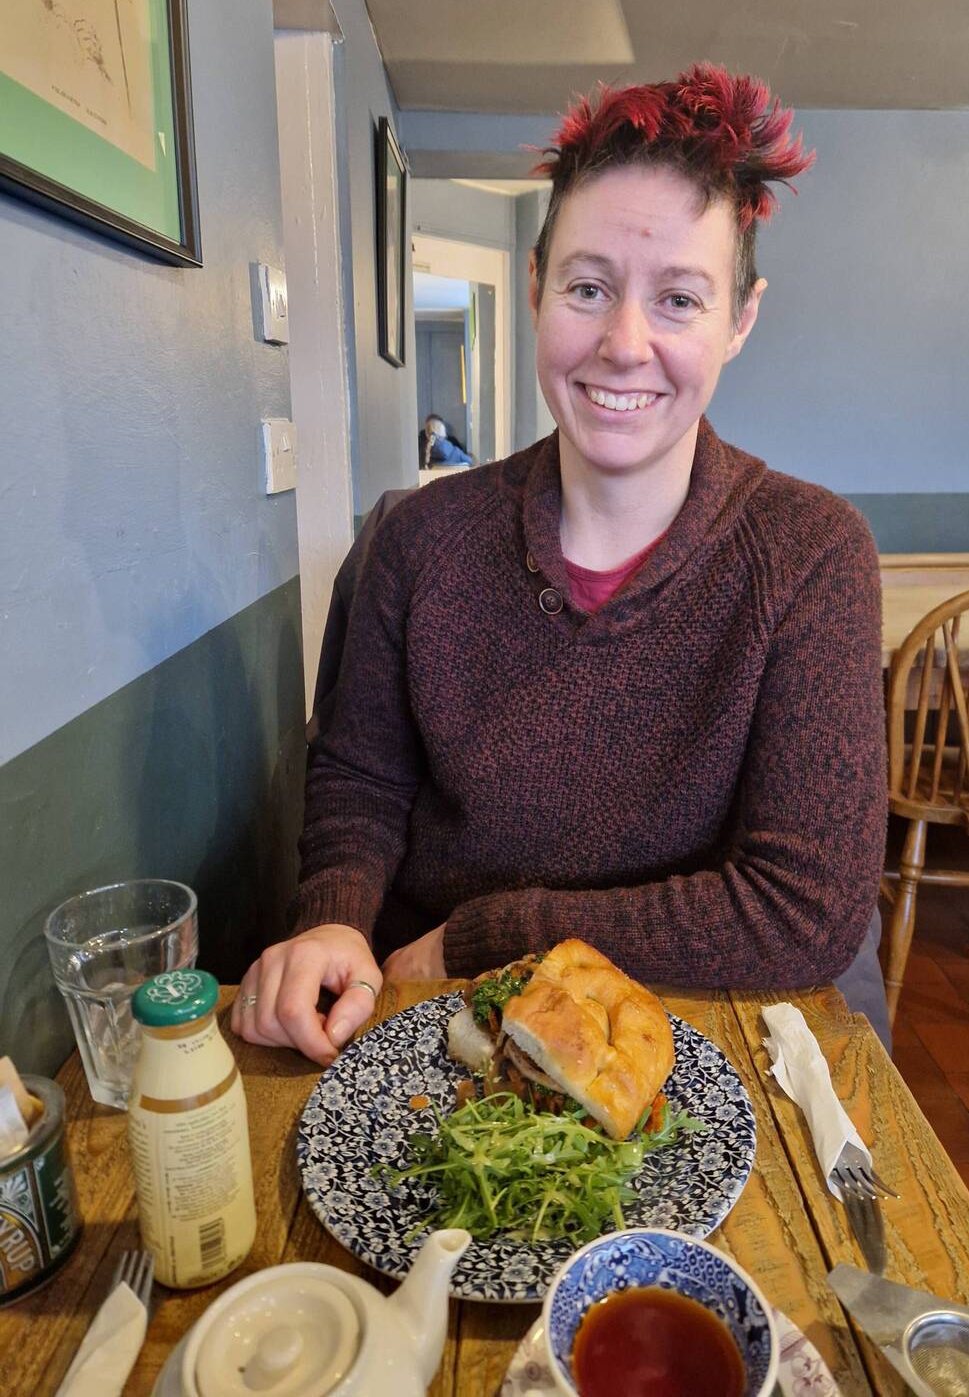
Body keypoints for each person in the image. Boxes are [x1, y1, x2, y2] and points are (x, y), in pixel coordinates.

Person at [232, 63, 889, 1066]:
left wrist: (485, 938)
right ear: (537, 289)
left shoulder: (811, 555)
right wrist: (334, 920)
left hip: (684, 1034)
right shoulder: (417, 541)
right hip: (434, 1025)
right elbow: (361, 784)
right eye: (589, 288)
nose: (626, 345)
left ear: (740, 320)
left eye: (679, 300)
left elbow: (802, 912)